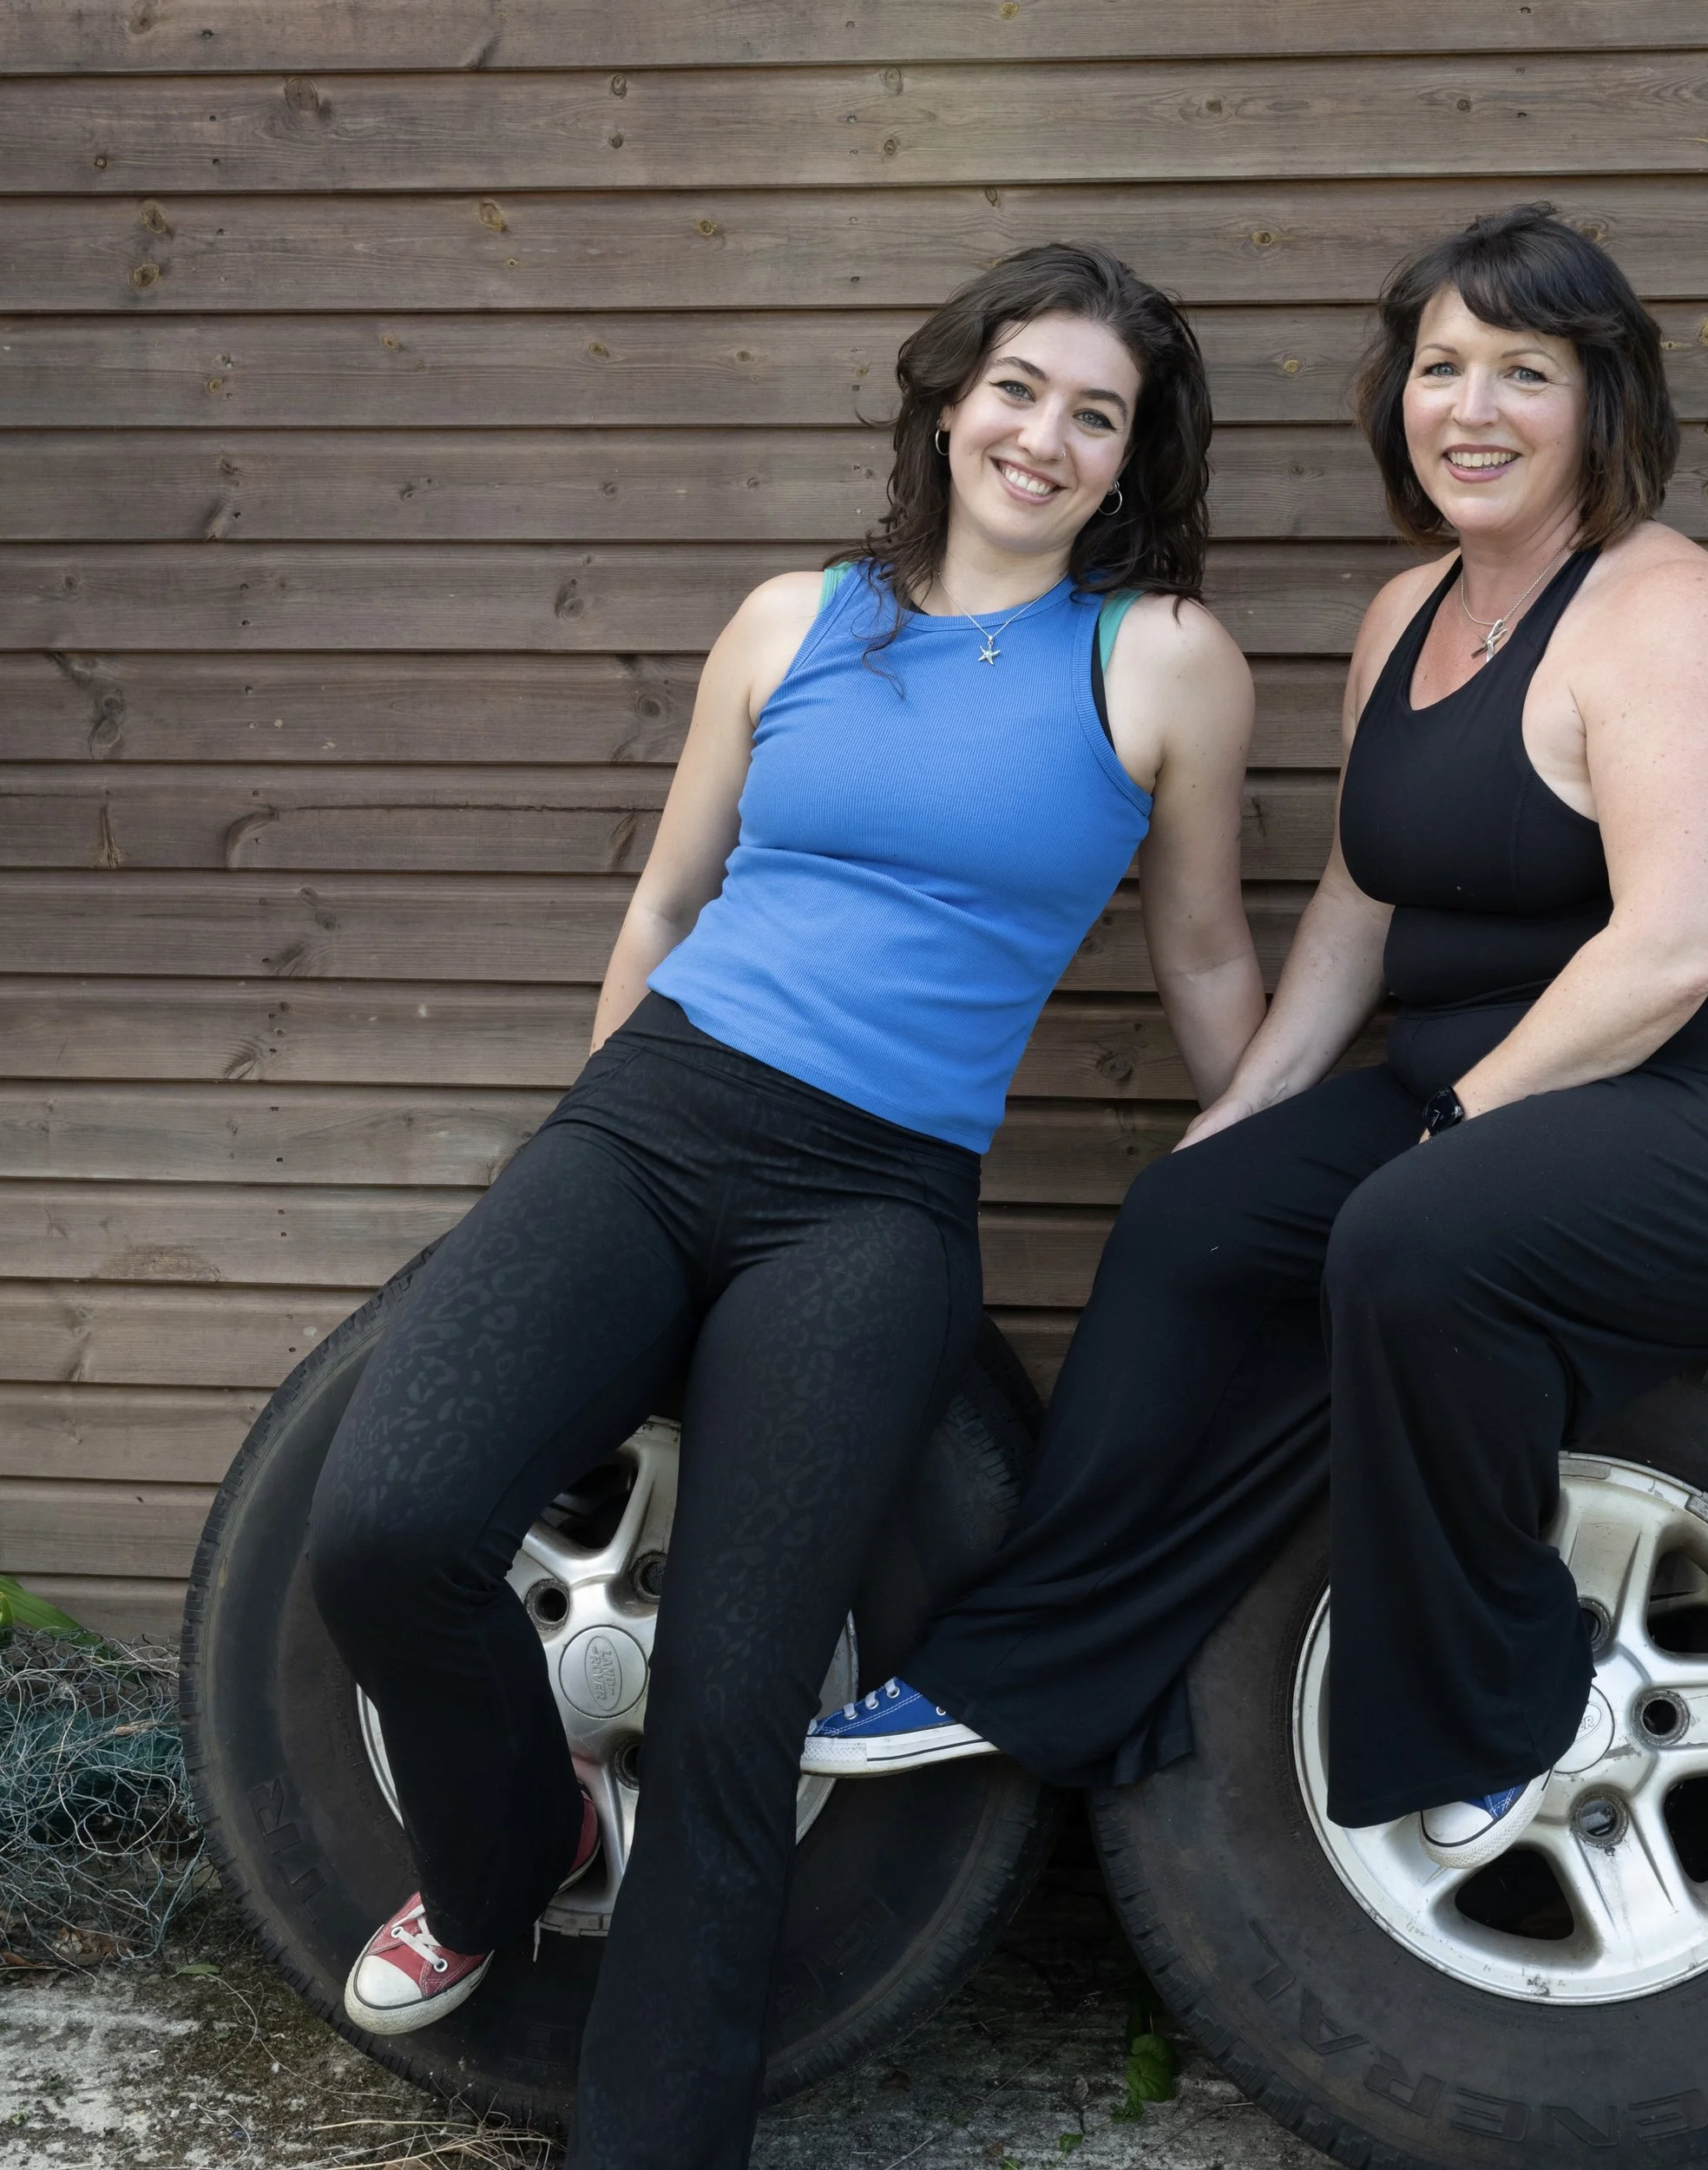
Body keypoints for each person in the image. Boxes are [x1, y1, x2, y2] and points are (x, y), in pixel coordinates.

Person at [304, 242, 1262, 2167]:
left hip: (874, 1201)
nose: (1045, 436)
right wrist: (592, 1140)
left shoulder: (1158, 658)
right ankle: (508, 1850)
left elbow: (1207, 954)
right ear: (944, 395)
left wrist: (1260, 1157)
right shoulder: (788, 618)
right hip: (652, 1127)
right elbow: (663, 906)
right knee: (385, 1523)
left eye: (1096, 413)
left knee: (737, 1710)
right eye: (1018, 388)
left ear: (1131, 456)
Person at [806, 204, 1708, 1871]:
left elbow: (1673, 949)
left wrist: (1458, 1129)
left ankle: (1503, 1706)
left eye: (1524, 372)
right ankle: (1026, 1672)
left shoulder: (1667, 615)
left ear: (1603, 399)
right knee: (1196, 1215)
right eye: (1441, 367)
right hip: (1498, 1097)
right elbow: (1358, 908)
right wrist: (1248, 1107)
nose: (1472, 408)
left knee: (1411, 1230)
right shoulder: (1407, 617)